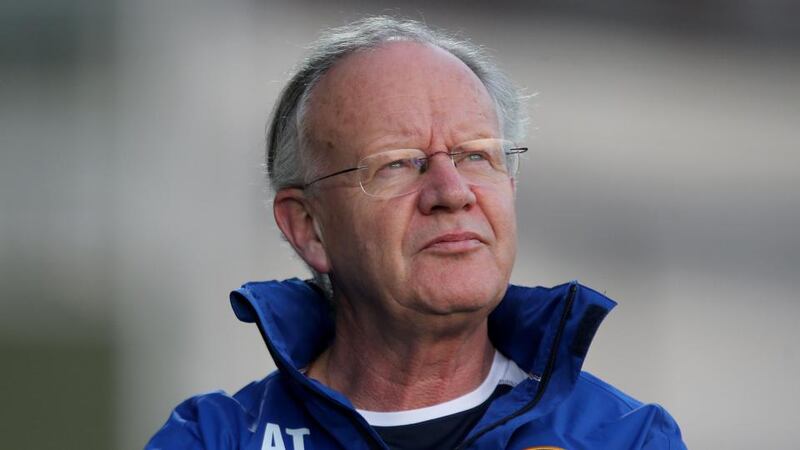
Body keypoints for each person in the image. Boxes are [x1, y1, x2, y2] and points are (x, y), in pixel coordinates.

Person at [147, 16, 686, 450]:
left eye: (477, 156)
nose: (453, 191)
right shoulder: (213, 439)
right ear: (309, 227)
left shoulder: (625, 439)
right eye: (398, 164)